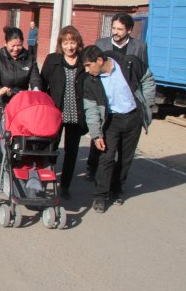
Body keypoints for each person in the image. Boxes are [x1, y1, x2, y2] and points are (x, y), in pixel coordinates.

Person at [81, 45, 154, 213]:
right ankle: (100, 195)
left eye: (88, 65)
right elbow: (91, 109)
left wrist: (147, 105)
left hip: (133, 118)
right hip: (112, 120)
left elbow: (147, 79)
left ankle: (116, 189)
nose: (86, 70)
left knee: (125, 158)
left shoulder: (129, 64)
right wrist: (96, 134)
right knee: (107, 157)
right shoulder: (90, 81)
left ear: (99, 61)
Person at [86, 12, 149, 180]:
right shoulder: (101, 44)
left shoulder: (139, 47)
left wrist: (146, 104)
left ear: (129, 30)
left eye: (120, 29)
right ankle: (92, 168)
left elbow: (143, 74)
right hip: (104, 100)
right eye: (113, 28)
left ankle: (115, 182)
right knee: (99, 139)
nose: (115, 32)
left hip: (127, 101)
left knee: (121, 148)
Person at [0, 26, 42, 175]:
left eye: (19, 45)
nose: (16, 49)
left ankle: (15, 174)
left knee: (18, 145)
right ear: (5, 44)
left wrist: (36, 91)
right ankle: (1, 176)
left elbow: (35, 78)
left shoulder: (29, 58)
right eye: (12, 45)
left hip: (20, 108)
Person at [40, 25, 87, 199]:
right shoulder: (53, 59)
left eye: (72, 42)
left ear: (78, 43)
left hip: (77, 114)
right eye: (66, 43)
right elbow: (43, 83)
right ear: (61, 43)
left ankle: (65, 185)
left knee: (71, 151)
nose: (70, 47)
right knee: (50, 148)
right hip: (56, 113)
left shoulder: (83, 61)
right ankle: (46, 179)